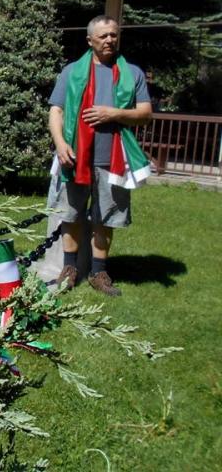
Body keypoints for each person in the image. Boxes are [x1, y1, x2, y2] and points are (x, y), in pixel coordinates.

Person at [48, 15, 153, 296]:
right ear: (90, 40)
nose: (109, 40)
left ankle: (98, 272)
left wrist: (113, 113)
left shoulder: (132, 73)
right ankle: (69, 269)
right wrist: (60, 143)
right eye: (103, 35)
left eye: (114, 35)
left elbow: (145, 114)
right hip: (74, 157)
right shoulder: (72, 71)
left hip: (113, 160)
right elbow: (56, 110)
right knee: (70, 214)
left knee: (106, 217)